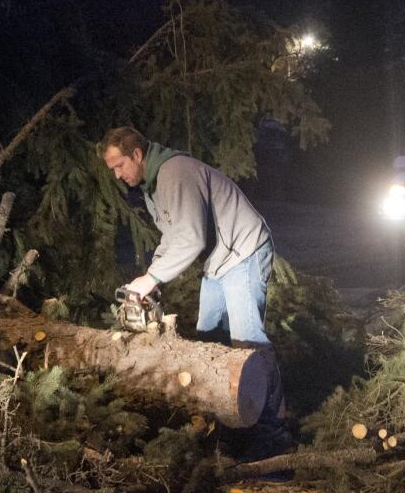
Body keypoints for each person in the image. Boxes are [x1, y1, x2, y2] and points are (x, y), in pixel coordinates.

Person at [101, 126, 286, 452]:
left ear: (137, 155)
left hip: (243, 251)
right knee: (207, 340)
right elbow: (171, 237)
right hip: (219, 259)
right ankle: (227, 426)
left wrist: (153, 278)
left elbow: (192, 238)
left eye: (119, 165)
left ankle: (272, 435)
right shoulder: (153, 185)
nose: (117, 175)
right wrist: (147, 277)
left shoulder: (175, 174)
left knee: (248, 343)